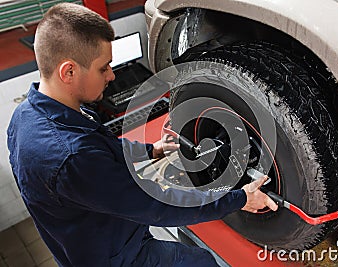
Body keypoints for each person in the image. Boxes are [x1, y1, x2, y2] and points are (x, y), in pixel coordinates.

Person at [7, 3, 278, 267]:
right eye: (104, 67)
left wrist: (151, 150)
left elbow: (102, 149)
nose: (112, 76)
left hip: (86, 238)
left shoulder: (26, 115)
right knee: (202, 262)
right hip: (115, 257)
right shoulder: (72, 157)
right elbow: (157, 205)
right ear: (69, 71)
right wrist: (239, 199)